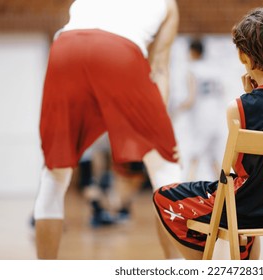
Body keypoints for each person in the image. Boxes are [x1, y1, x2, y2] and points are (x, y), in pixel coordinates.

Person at [153, 7, 263, 260]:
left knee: (162, 196)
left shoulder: (240, 107)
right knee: (256, 188)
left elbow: (239, 170)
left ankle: (207, 266)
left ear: (242, 57)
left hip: (249, 209)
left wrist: (249, 96)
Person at [33, 0, 182, 259]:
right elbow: (159, 68)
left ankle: (44, 271)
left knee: (54, 175)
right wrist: (158, 129)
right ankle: (178, 269)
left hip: (65, 48)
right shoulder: (168, 4)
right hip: (119, 51)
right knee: (166, 168)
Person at [174, 38, 227, 181]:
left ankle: (187, 188)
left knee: (194, 156)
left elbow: (191, 99)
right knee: (214, 158)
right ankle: (227, 193)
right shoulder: (213, 69)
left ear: (192, 52)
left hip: (203, 118)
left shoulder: (192, 70)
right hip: (218, 117)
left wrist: (176, 110)